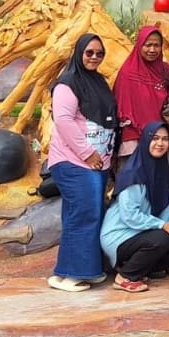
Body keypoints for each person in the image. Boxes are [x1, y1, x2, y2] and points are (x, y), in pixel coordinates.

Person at [47, 33, 117, 292]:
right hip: (73, 161)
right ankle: (73, 274)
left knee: (87, 212)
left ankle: (81, 270)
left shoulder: (99, 81)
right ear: (79, 53)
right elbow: (64, 120)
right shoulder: (67, 83)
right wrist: (87, 153)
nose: (95, 57)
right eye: (89, 53)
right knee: (84, 214)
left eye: (99, 53)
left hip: (97, 162)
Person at [100, 122, 169, 293]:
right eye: (154, 138)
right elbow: (130, 216)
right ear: (145, 141)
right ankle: (125, 276)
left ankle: (144, 267)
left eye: (164, 139)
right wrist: (163, 227)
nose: (160, 143)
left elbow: (164, 211)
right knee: (160, 240)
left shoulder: (162, 171)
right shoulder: (133, 174)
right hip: (119, 236)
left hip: (142, 234)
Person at [114, 26, 169, 162]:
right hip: (133, 138)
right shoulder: (127, 73)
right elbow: (121, 107)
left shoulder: (166, 71)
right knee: (134, 180)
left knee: (158, 180)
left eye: (156, 45)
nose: (152, 50)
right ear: (139, 45)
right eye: (148, 45)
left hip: (160, 138)